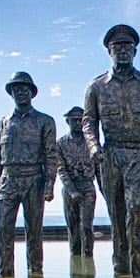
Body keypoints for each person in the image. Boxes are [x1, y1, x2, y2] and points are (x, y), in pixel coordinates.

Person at [83, 24, 140, 278]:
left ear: (135, 51)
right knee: (118, 216)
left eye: (127, 47)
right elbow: (88, 123)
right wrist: (93, 146)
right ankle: (121, 271)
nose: (122, 51)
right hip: (110, 156)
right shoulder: (96, 87)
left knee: (137, 211)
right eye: (117, 47)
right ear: (109, 52)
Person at [0, 71, 57, 278]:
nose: (20, 93)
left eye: (24, 89)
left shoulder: (45, 121)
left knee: (34, 232)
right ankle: (5, 276)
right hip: (8, 181)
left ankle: (36, 276)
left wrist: (49, 185)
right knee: (3, 230)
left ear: (32, 93)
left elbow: (51, 156)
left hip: (34, 180)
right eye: (16, 89)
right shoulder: (2, 124)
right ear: (11, 93)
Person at [56, 107, 98, 257]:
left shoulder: (92, 144)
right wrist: (72, 191)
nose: (78, 123)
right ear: (68, 122)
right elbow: (61, 169)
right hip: (70, 188)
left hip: (87, 186)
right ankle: (75, 259)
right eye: (74, 120)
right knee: (73, 228)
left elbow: (99, 167)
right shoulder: (61, 144)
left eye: (80, 120)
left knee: (86, 226)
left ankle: (88, 257)